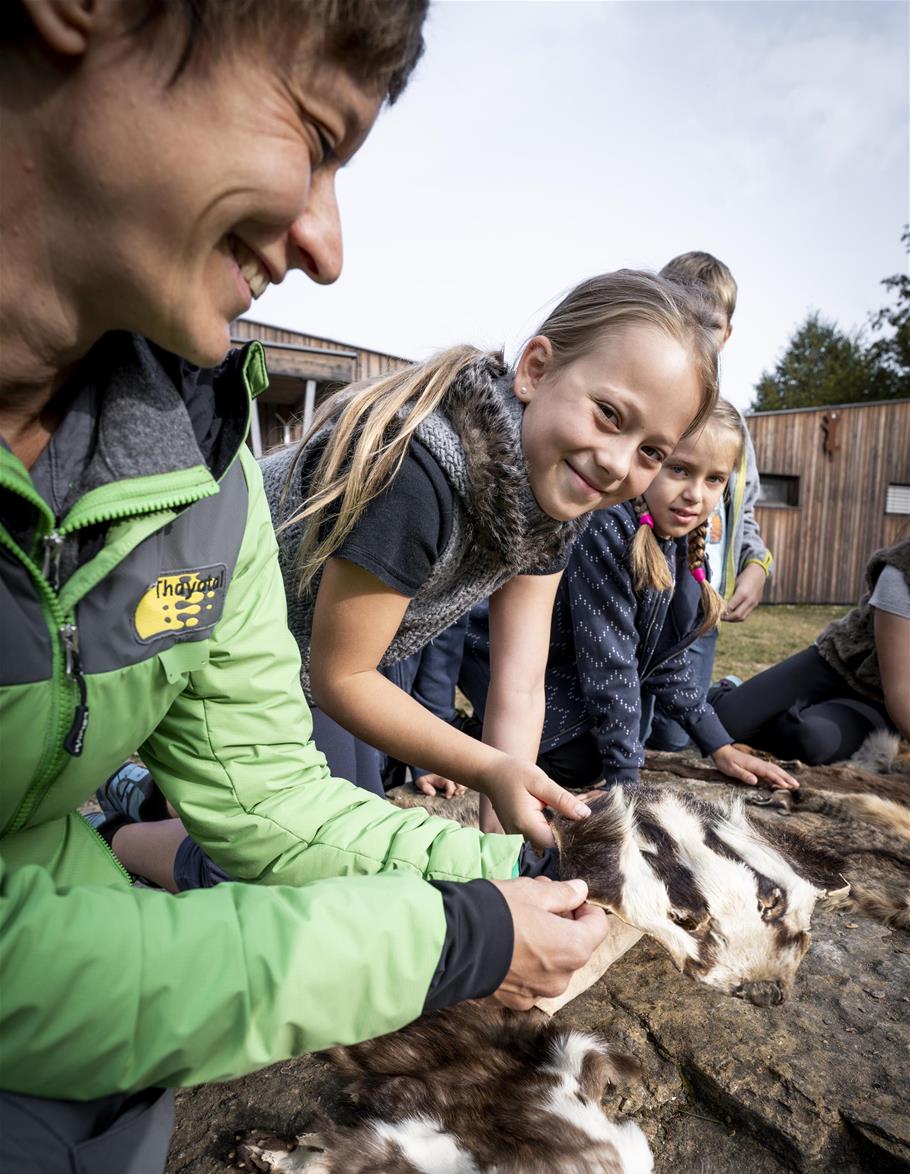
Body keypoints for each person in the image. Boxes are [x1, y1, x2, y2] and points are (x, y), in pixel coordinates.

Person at [0, 4, 609, 1174]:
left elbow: (266, 789)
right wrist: (447, 937)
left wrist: (478, 884)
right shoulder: (430, 471)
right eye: (314, 137)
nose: (328, 243)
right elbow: (343, 680)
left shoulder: (187, 451)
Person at [102, 267, 720, 885]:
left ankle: (151, 797)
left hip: (308, 664)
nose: (617, 463)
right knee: (318, 865)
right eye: (610, 414)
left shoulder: (558, 503)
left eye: (652, 452)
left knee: (349, 817)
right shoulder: (422, 470)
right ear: (535, 370)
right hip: (207, 632)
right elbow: (340, 674)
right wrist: (486, 769)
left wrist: (502, 865)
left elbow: (520, 686)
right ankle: (121, 839)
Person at [461, 401, 795, 792]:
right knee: (579, 762)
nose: (694, 495)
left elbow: (663, 659)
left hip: (569, 670)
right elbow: (610, 662)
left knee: (626, 742)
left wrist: (718, 743)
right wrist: (628, 783)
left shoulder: (678, 537)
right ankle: (458, 734)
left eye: (714, 479)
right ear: (649, 460)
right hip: (504, 662)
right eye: (679, 470)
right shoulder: (606, 527)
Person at [645, 251, 775, 751]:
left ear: (727, 334)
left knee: (674, 738)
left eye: (712, 323)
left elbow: (745, 513)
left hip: (699, 607)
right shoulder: (651, 405)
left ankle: (721, 696)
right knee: (624, 726)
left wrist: (756, 564)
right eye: (685, 316)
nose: (699, 333)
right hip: (641, 594)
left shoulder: (731, 424)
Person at [713, 538, 910, 763]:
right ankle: (732, 691)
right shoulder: (901, 571)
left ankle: (794, 717)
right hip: (836, 662)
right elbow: (902, 693)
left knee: (809, 739)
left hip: (876, 699)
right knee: (723, 723)